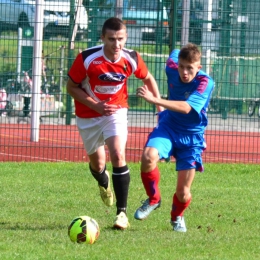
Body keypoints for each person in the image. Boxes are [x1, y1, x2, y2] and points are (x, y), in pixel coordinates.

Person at [67, 17, 163, 229]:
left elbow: (148, 78)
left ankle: (122, 214)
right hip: (88, 115)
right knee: (98, 165)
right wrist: (96, 106)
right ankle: (103, 182)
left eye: (120, 39)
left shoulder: (132, 58)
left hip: (116, 111)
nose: (116, 44)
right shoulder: (87, 58)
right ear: (102, 38)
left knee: (118, 154)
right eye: (111, 39)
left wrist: (159, 107)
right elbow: (71, 87)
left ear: (126, 38)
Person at [134, 43, 214, 232]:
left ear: (199, 68)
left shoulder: (205, 82)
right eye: (181, 66)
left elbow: (187, 108)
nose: (184, 72)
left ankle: (177, 216)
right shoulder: (172, 66)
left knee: (183, 193)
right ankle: (154, 199)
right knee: (148, 158)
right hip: (169, 127)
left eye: (190, 68)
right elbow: (175, 53)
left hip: (192, 137)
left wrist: (155, 100)